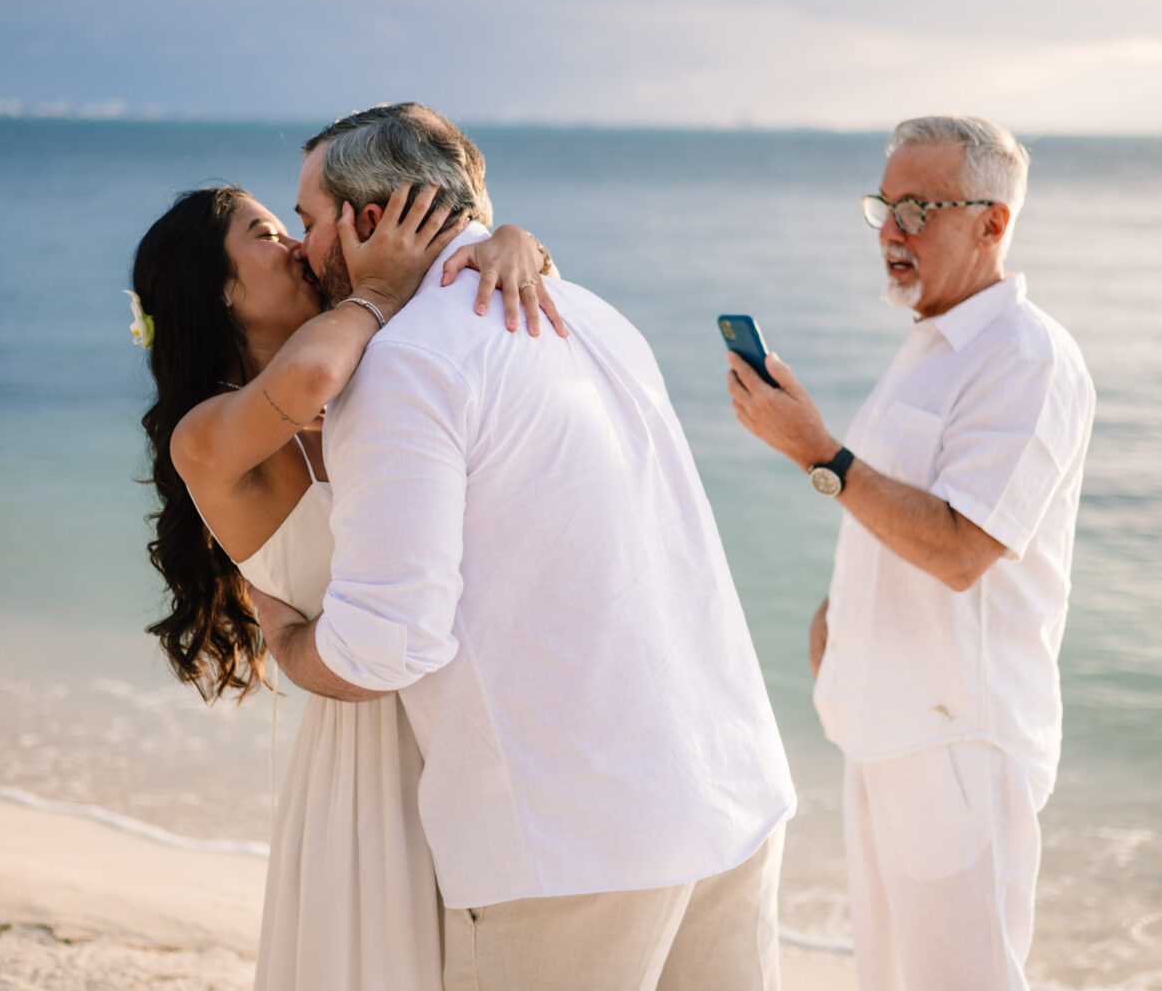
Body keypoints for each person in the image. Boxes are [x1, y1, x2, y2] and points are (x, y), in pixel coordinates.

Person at [249, 102, 796, 991]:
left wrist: (284, 639)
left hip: (574, 842)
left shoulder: (406, 365)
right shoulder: (591, 313)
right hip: (728, 788)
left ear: (370, 219)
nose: (305, 250)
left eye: (309, 222)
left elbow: (386, 643)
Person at [130, 181, 561, 991]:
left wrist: (511, 240)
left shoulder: (374, 377)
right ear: (216, 290)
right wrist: (378, 289)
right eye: (264, 233)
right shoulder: (209, 434)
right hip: (370, 757)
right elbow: (312, 372)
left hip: (474, 721)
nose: (295, 244)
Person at [726, 115, 1095, 991]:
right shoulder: (931, 344)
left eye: (918, 208)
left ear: (993, 223)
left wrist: (817, 450)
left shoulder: (1026, 357)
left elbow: (965, 546)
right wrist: (836, 623)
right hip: (884, 727)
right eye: (884, 207)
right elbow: (889, 516)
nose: (891, 232)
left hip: (960, 739)